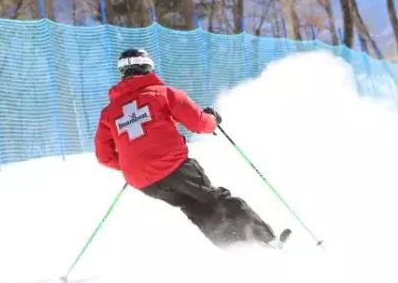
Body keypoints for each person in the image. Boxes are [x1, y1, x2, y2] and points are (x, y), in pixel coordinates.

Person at [94, 48, 284, 249]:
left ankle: (237, 248)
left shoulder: (109, 112)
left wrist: (134, 163)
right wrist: (213, 119)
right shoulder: (164, 94)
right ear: (148, 67)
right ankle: (265, 240)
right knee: (216, 200)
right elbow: (199, 123)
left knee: (195, 208)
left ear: (122, 73)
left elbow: (104, 156)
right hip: (175, 168)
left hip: (143, 182)